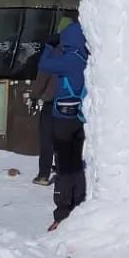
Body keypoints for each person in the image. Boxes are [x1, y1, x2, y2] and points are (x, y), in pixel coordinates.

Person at [44, 18, 88, 230]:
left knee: (63, 165)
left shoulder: (68, 60)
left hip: (62, 118)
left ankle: (62, 212)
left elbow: (44, 65)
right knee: (77, 163)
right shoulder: (85, 59)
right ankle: (79, 203)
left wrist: (49, 46)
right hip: (79, 118)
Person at [28, 37, 62, 187]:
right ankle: (63, 171)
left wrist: (34, 96)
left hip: (52, 102)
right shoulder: (81, 52)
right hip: (73, 103)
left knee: (47, 139)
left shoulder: (54, 54)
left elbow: (42, 77)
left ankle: (43, 175)